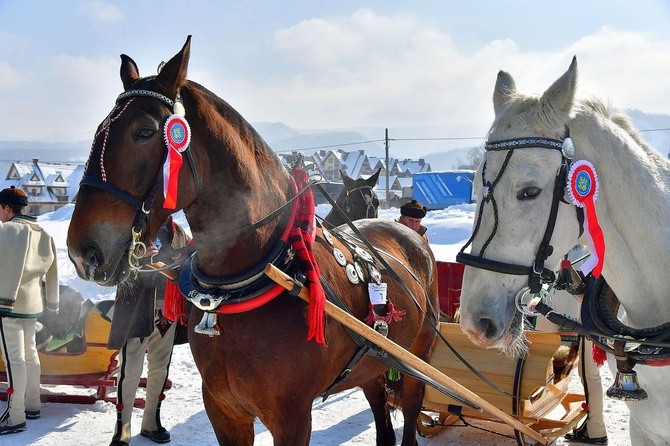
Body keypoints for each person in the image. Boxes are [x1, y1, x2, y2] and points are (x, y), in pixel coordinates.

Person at [108, 217, 190, 446]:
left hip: (168, 310)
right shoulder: (132, 230)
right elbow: (114, 263)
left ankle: (151, 421)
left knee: (160, 367)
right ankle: (122, 426)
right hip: (136, 307)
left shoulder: (179, 233)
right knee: (130, 368)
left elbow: (190, 262)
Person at [0, 186, 59, 435]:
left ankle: (15, 417)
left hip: (7, 303)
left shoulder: (6, 230)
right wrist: (53, 303)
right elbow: (53, 273)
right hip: (33, 304)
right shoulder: (43, 233)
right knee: (29, 354)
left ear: (7, 208)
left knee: (14, 360)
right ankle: (32, 405)